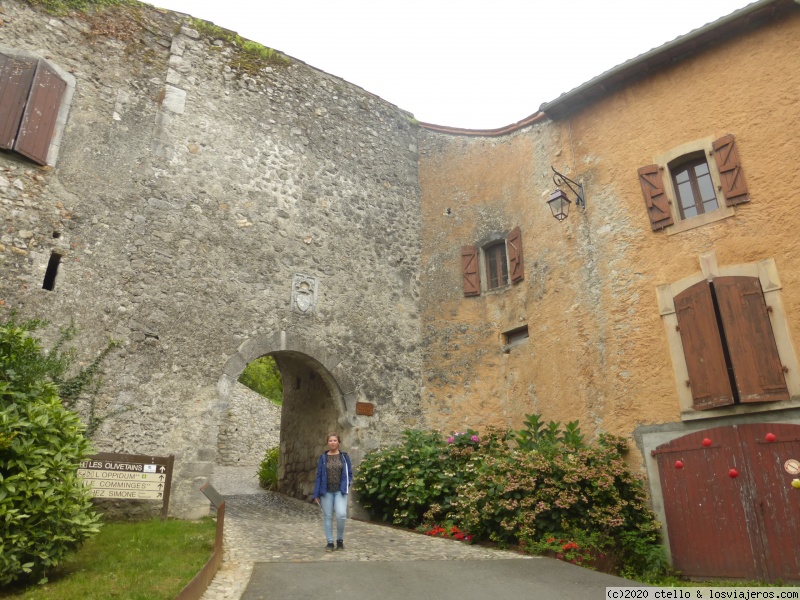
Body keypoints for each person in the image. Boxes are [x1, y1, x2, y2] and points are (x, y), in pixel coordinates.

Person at [311, 432, 353, 551]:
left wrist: (347, 484)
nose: (332, 442)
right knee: (327, 516)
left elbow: (349, 472)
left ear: (339, 442)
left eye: (335, 440)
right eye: (330, 441)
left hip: (340, 491)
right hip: (326, 491)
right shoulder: (323, 458)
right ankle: (330, 542)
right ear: (327, 443)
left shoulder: (344, 457)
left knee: (341, 514)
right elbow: (318, 476)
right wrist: (316, 494)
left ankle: (340, 539)